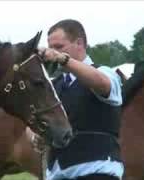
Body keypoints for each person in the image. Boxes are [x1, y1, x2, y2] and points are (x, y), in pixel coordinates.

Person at [26, 19, 124, 180]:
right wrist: (35, 135)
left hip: (97, 170)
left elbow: (102, 83)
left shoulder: (104, 72)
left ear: (79, 43)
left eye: (59, 47)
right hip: (57, 173)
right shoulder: (53, 85)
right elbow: (33, 120)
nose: (52, 52)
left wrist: (63, 59)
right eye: (51, 48)